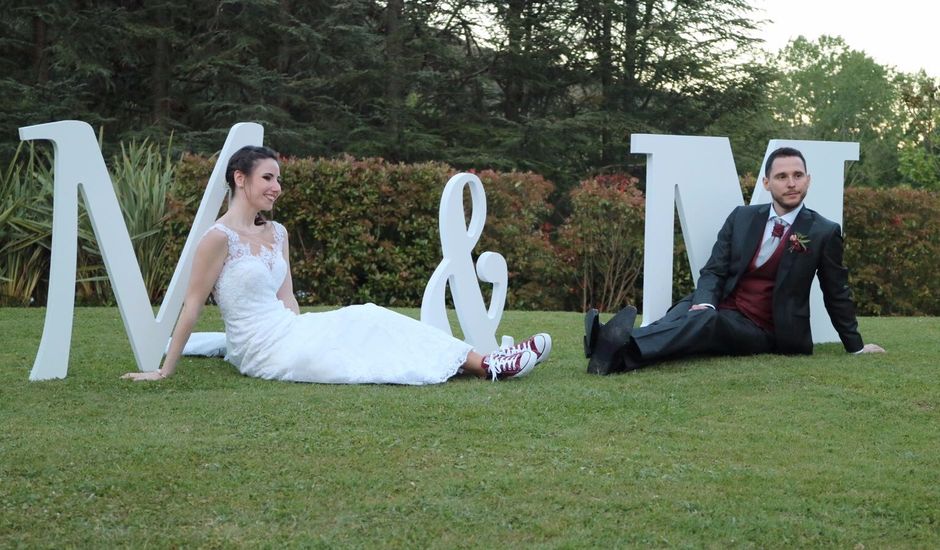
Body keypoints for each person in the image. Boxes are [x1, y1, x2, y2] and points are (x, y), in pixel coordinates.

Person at [123, 145, 551, 384]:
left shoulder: (278, 233)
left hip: (290, 331)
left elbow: (287, 298)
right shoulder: (218, 240)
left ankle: (487, 362)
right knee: (360, 336)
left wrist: (312, 329)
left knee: (366, 318)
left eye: (278, 179)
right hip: (259, 350)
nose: (277, 187)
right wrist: (164, 371)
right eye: (268, 177)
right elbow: (192, 306)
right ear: (240, 178)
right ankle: (485, 365)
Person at [583, 146, 885, 375]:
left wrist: (855, 347)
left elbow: (837, 292)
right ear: (767, 183)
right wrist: (705, 300)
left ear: (808, 179)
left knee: (705, 320)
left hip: (766, 330)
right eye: (782, 177)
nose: (791, 183)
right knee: (687, 311)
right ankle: (614, 355)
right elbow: (714, 269)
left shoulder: (823, 231)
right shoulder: (741, 218)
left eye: (797, 175)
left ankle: (611, 345)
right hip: (724, 306)